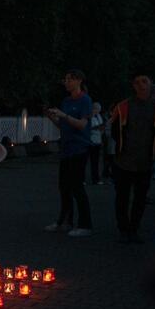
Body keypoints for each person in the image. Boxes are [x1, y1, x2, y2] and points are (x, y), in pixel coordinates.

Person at [109, 74, 155, 243]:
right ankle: (123, 228)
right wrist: (120, 148)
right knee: (122, 196)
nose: (141, 85)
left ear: (151, 84)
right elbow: (114, 129)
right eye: (137, 82)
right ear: (133, 86)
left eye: (145, 81)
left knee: (140, 198)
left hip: (145, 160)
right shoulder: (123, 106)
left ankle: (134, 229)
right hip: (123, 159)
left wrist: (153, 152)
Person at [45, 69, 93, 236]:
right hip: (66, 148)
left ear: (78, 81)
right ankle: (65, 221)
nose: (66, 82)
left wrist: (64, 115)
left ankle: (85, 225)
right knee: (64, 186)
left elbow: (82, 125)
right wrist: (53, 118)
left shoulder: (85, 100)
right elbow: (64, 126)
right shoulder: (66, 100)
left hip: (79, 148)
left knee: (77, 186)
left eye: (69, 79)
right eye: (65, 79)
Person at [88, 101, 105, 185]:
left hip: (97, 141)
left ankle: (96, 178)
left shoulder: (99, 116)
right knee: (89, 161)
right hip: (90, 141)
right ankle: (83, 179)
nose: (98, 111)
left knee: (95, 161)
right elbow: (88, 127)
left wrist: (101, 129)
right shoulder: (89, 116)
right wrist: (96, 128)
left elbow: (101, 126)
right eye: (97, 109)